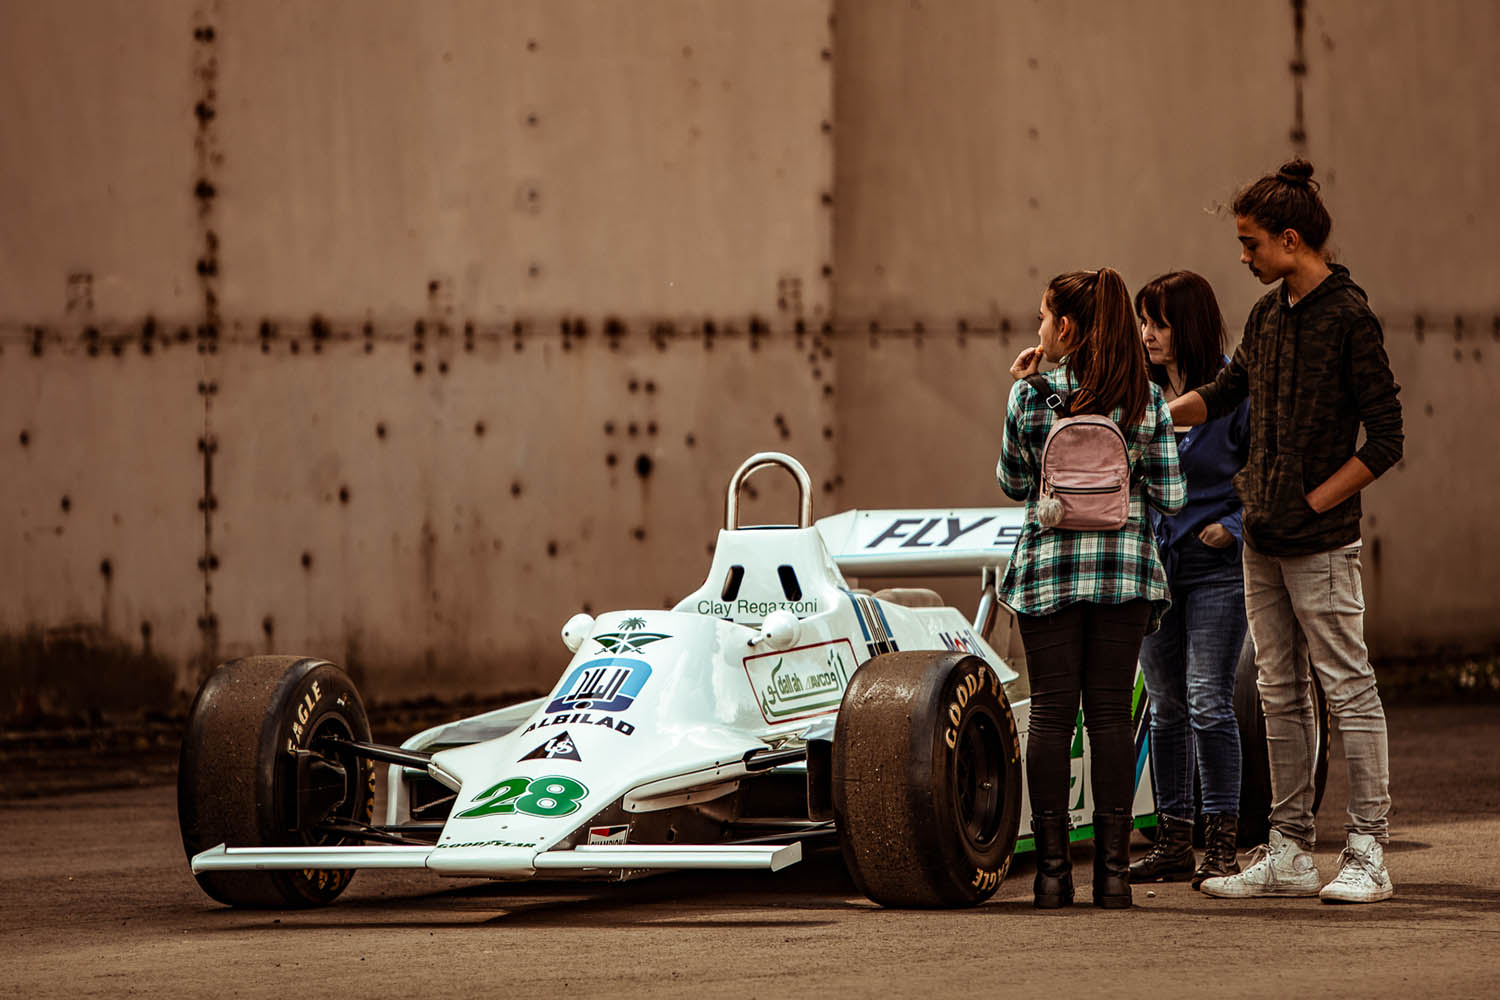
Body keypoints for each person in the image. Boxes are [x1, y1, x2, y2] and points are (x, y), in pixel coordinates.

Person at [1169, 159, 1404, 904]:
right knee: (1278, 692)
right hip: (1260, 543)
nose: (1243, 258)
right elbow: (1226, 391)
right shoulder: (1268, 318)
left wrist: (1314, 502)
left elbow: (1387, 437)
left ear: (1291, 239)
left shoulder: (1349, 317)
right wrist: (1141, 417)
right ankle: (1290, 850)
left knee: (1347, 688)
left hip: (1321, 543)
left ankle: (1368, 851)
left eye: (1251, 243)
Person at [998, 267, 1185, 909]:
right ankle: (1114, 876)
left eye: (1043, 319)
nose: (1039, 330)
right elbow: (1174, 494)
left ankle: (1052, 877)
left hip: (1049, 571)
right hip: (1126, 573)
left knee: (1050, 713)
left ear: (1066, 328)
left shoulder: (1033, 396)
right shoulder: (1145, 398)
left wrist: (1025, 385)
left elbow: (1013, 482)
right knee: (1108, 714)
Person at [1126, 271, 1250, 889]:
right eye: (1143, 320)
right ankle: (1174, 842)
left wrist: (1233, 524)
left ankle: (1222, 845)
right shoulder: (1138, 393)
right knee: (1166, 705)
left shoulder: (1233, 388)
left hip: (1215, 568)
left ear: (1190, 326)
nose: (1147, 333)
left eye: (1160, 322)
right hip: (1156, 566)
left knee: (1208, 700)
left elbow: (1266, 469)